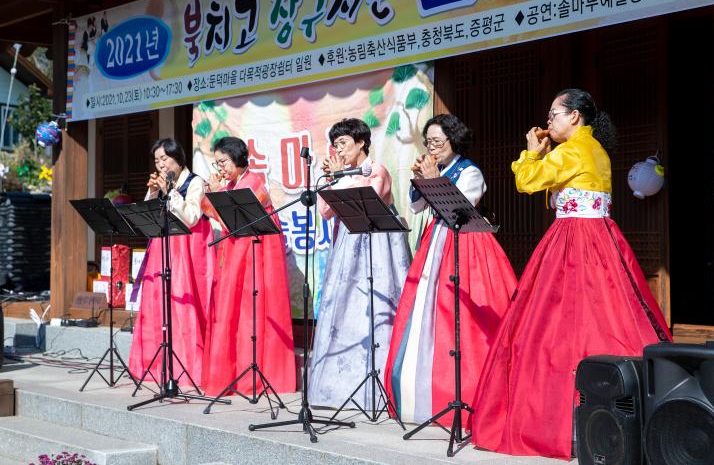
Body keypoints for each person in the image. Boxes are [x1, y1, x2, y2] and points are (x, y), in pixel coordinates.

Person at [472, 89, 672, 460]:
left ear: (575, 117)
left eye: (553, 115)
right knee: (611, 312)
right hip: (604, 238)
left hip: (572, 240)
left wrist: (531, 149)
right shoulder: (593, 149)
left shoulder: (571, 150)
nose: (548, 123)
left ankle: (556, 420)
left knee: (557, 323)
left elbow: (527, 182)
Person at [385, 114, 517, 425]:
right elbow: (416, 206)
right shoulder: (437, 168)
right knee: (425, 314)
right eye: (428, 142)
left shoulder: (469, 170)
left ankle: (465, 391)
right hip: (434, 244)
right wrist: (422, 180)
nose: (431, 147)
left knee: (459, 314)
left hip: (465, 246)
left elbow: (462, 206)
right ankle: (422, 392)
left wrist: (433, 180)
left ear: (452, 140)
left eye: (437, 141)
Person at [308, 118, 411, 409]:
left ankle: (377, 386)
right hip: (346, 244)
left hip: (375, 244)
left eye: (343, 143)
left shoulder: (375, 170)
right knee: (344, 308)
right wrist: (331, 180)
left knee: (372, 307)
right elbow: (327, 212)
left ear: (361, 142)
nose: (338, 150)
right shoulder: (343, 173)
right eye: (335, 145)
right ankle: (337, 388)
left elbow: (370, 200)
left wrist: (342, 177)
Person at [201, 136, 296, 396]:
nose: (220, 167)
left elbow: (243, 211)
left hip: (257, 252)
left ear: (238, 159)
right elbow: (214, 213)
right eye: (217, 162)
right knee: (235, 308)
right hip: (237, 249)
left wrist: (218, 192)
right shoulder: (231, 183)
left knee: (252, 309)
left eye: (224, 161)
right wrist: (215, 190)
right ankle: (233, 372)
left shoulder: (255, 182)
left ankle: (259, 373)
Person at [128, 138, 213, 387]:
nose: (161, 164)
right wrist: (154, 192)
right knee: (158, 303)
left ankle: (185, 365)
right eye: (157, 160)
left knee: (181, 304)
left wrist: (169, 191)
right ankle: (155, 363)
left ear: (178, 158)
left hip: (187, 251)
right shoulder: (164, 183)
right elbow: (147, 216)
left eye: (164, 159)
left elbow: (192, 217)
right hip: (161, 248)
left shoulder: (195, 182)